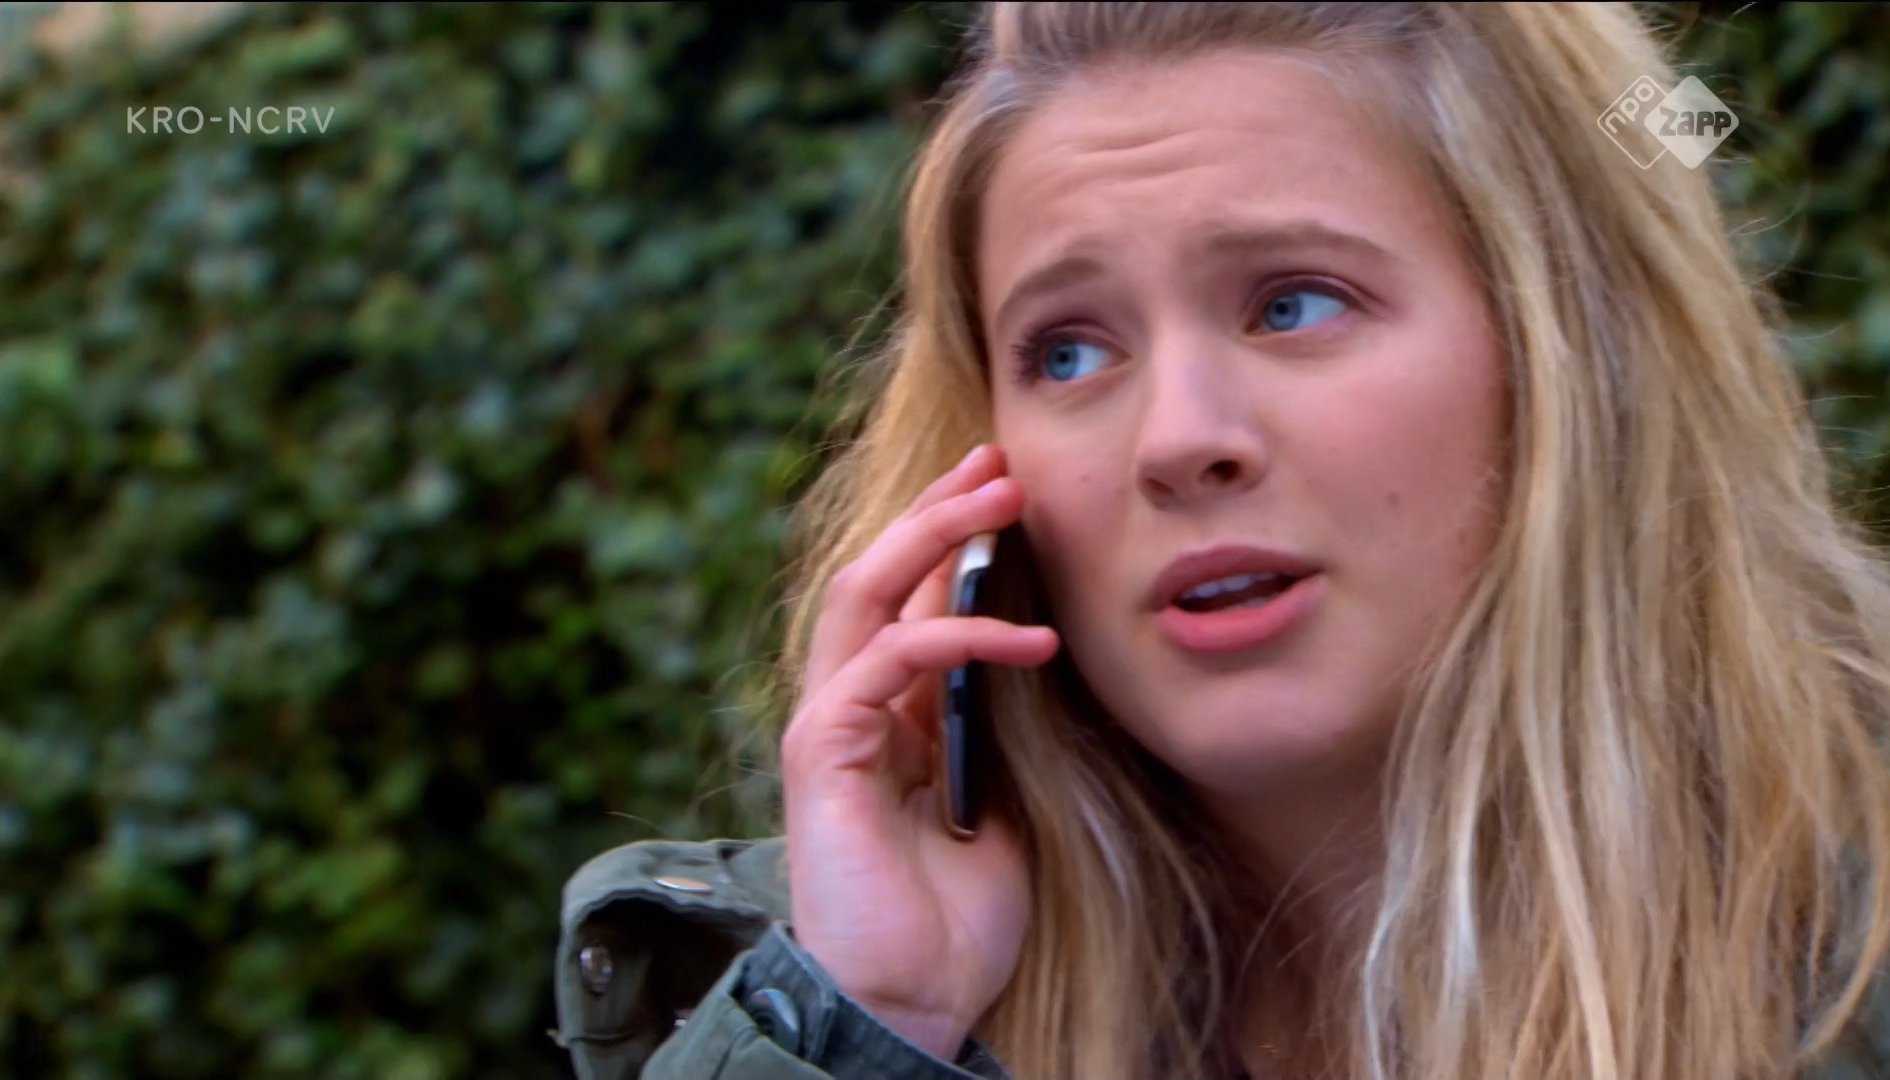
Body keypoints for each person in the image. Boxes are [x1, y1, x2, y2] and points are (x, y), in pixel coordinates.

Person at [552, 3, 1890, 1078]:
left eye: (1295, 303)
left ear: (1577, 357)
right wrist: (865, 1023)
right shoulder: (806, 988)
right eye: (1068, 351)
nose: (1177, 438)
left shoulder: (1851, 964)